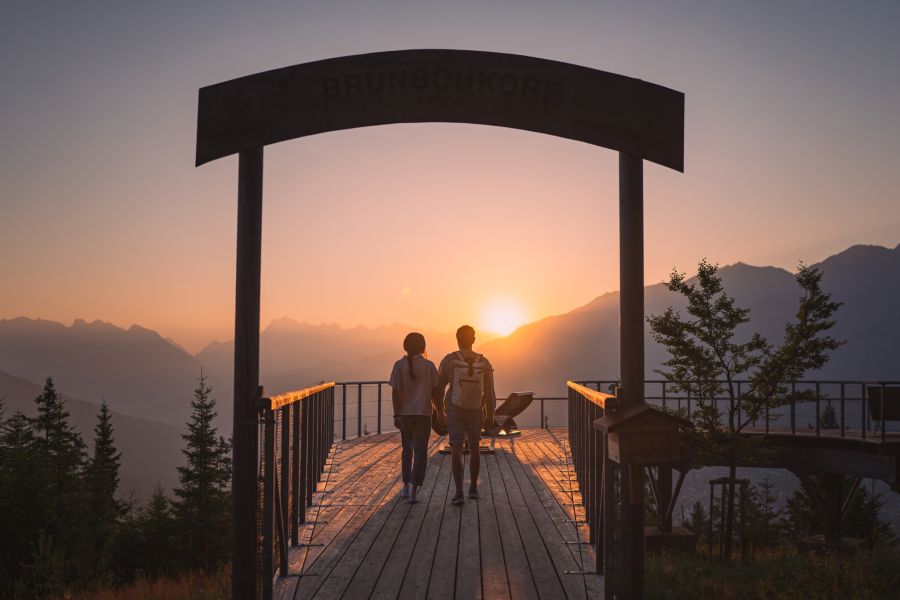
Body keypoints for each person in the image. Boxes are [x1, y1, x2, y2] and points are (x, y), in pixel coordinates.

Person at [436, 325, 496, 506]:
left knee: (456, 450)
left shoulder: (449, 360)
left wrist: (439, 411)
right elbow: (490, 392)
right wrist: (490, 414)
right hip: (476, 410)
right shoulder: (483, 362)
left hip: (455, 409)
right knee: (475, 448)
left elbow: (439, 388)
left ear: (457, 339)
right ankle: (474, 489)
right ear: (474, 340)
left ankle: (459, 492)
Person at [389, 332, 438, 504]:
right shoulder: (429, 366)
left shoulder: (398, 366)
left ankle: (404, 486)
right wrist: (440, 411)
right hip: (423, 414)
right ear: (423, 347)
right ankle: (414, 490)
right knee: (420, 452)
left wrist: (396, 413)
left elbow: (395, 392)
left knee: (406, 450)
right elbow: (435, 391)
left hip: (404, 415)